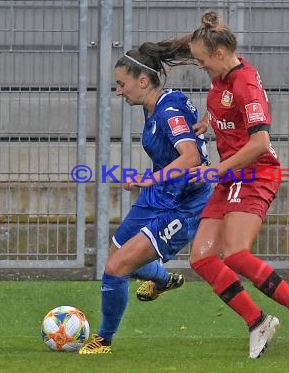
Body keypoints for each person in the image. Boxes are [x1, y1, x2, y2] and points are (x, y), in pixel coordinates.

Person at [168, 10, 289, 359]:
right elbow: (229, 108)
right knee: (202, 257)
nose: (201, 66)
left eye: (202, 61)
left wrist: (215, 170)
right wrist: (210, 122)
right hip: (230, 176)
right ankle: (258, 322)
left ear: (220, 54)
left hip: (255, 173)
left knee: (236, 253)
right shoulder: (224, 77)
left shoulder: (245, 82)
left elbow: (259, 142)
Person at [79, 41, 211, 354]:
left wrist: (149, 178)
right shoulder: (154, 107)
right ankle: (163, 281)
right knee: (114, 257)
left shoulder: (168, 111)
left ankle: (103, 341)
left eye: (121, 84)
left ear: (142, 81)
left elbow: (191, 157)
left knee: (115, 269)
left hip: (182, 206)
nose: (118, 91)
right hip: (159, 196)